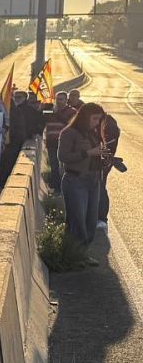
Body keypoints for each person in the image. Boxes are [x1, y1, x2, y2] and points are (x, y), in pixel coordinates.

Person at [58, 102, 110, 260]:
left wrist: (104, 157)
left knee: (90, 220)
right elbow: (63, 157)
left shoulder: (93, 133)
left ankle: (81, 254)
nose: (96, 123)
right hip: (76, 180)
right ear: (85, 117)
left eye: (99, 120)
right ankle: (75, 255)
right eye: (94, 119)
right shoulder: (69, 133)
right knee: (77, 220)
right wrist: (88, 153)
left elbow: (95, 156)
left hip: (93, 180)